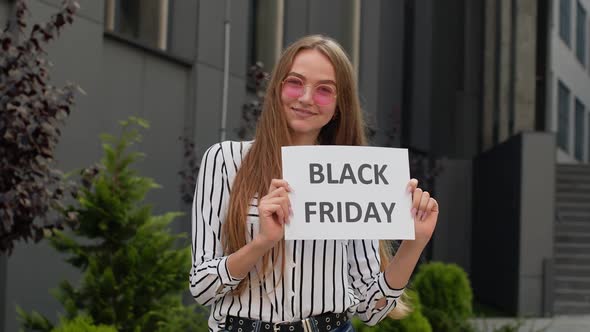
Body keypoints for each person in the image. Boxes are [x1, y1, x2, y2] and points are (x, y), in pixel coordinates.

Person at [189, 35, 439, 332]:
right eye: (295, 82)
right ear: (278, 87)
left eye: (324, 90)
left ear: (339, 105)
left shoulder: (354, 176)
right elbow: (202, 286)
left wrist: (414, 243)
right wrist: (261, 243)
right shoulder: (224, 160)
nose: (306, 98)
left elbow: (370, 309)